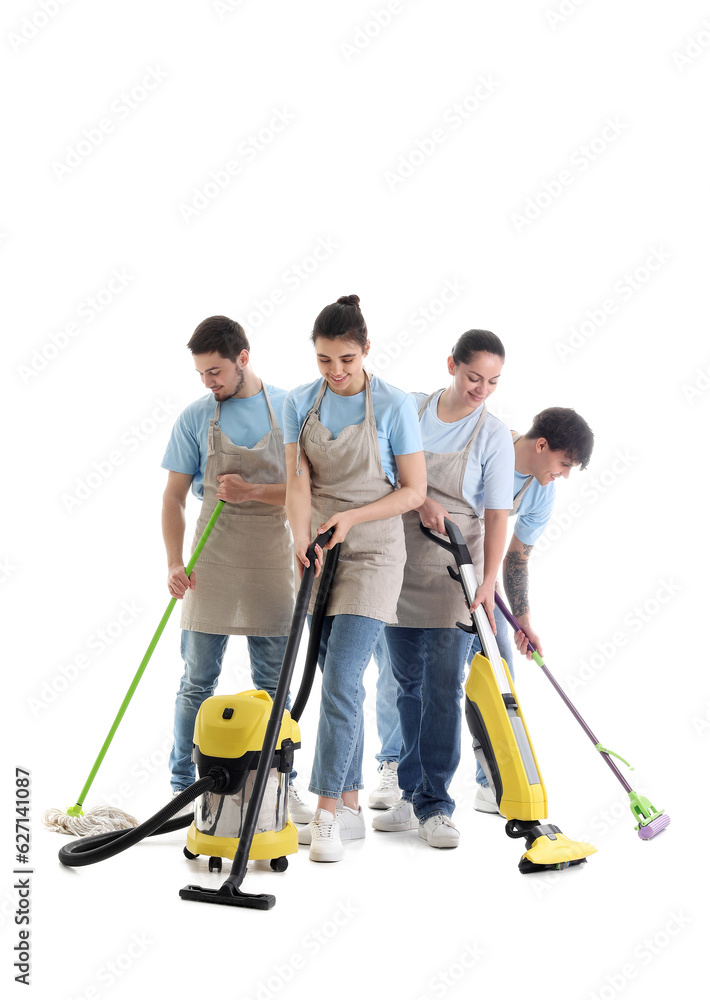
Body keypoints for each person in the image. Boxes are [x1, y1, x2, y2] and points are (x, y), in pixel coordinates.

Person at [284, 294, 427, 863]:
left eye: (346, 359)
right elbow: (298, 481)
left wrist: (351, 519)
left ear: (366, 350)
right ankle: (347, 803)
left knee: (342, 677)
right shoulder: (300, 401)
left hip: (373, 552)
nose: (336, 372)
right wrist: (301, 535)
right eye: (324, 360)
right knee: (331, 679)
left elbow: (413, 491)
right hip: (318, 551)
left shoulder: (393, 404)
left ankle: (323, 813)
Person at [161, 315, 312, 822]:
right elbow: (173, 497)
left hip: (272, 556)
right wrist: (174, 561)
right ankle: (182, 784)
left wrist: (250, 492)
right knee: (196, 681)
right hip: (213, 557)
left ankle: (276, 781)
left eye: (216, 372)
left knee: (274, 684)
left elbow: (304, 492)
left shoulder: (290, 409)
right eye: (202, 373)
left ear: (243, 359)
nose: (209, 382)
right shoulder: (195, 417)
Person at [372, 330, 514, 848]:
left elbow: (497, 515)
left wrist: (489, 581)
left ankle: (437, 805)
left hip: (456, 570)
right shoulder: (410, 409)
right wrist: (419, 500)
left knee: (443, 688)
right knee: (405, 687)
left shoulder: (493, 435)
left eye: (493, 381)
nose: (482, 389)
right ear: (451, 364)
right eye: (474, 376)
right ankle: (410, 795)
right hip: (396, 561)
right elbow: (383, 468)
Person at [473, 406, 594, 813]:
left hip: (482, 581)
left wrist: (523, 623)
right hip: (429, 560)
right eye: (563, 463)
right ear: (541, 445)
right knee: (413, 676)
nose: (563, 474)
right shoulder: (487, 447)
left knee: (499, 671)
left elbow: (518, 557)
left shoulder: (542, 490)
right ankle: (397, 774)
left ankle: (493, 781)